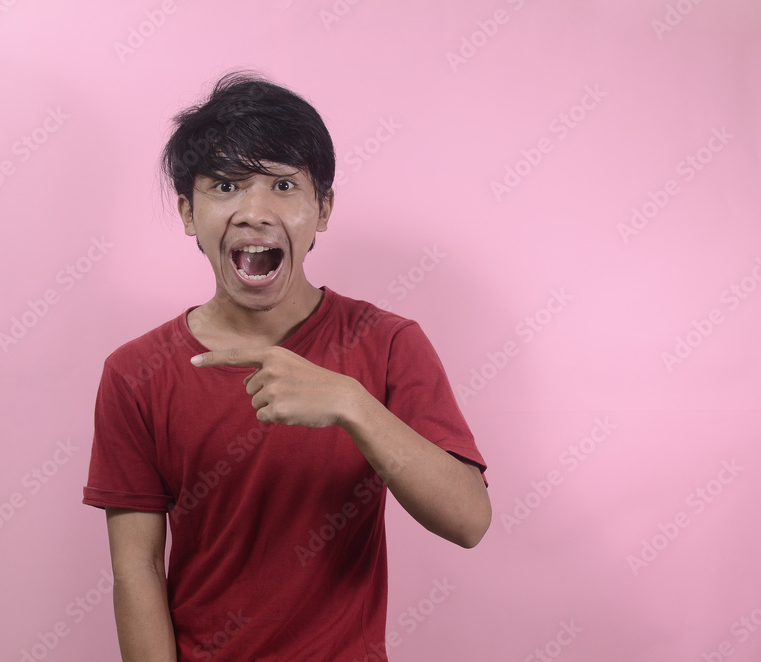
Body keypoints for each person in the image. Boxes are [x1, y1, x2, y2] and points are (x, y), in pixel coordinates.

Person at [82, 71, 491, 661]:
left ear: (322, 209)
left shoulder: (389, 343)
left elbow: (468, 521)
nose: (254, 211)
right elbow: (136, 569)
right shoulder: (134, 373)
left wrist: (352, 404)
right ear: (188, 213)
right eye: (225, 185)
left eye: (282, 185)